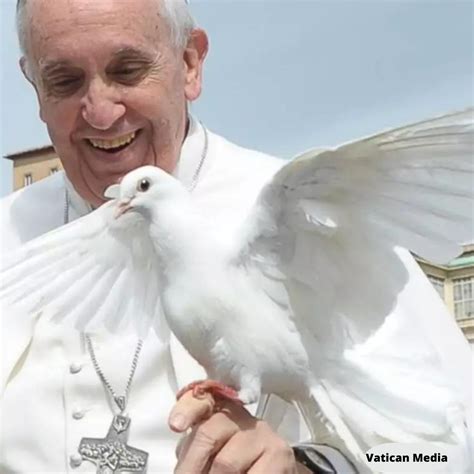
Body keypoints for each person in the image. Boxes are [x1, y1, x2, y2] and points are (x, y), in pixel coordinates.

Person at [0, 1, 471, 473]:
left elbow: (449, 450)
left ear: (189, 64)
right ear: (35, 88)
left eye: (127, 70)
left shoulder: (316, 214)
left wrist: (311, 468)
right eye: (64, 81)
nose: (100, 113)